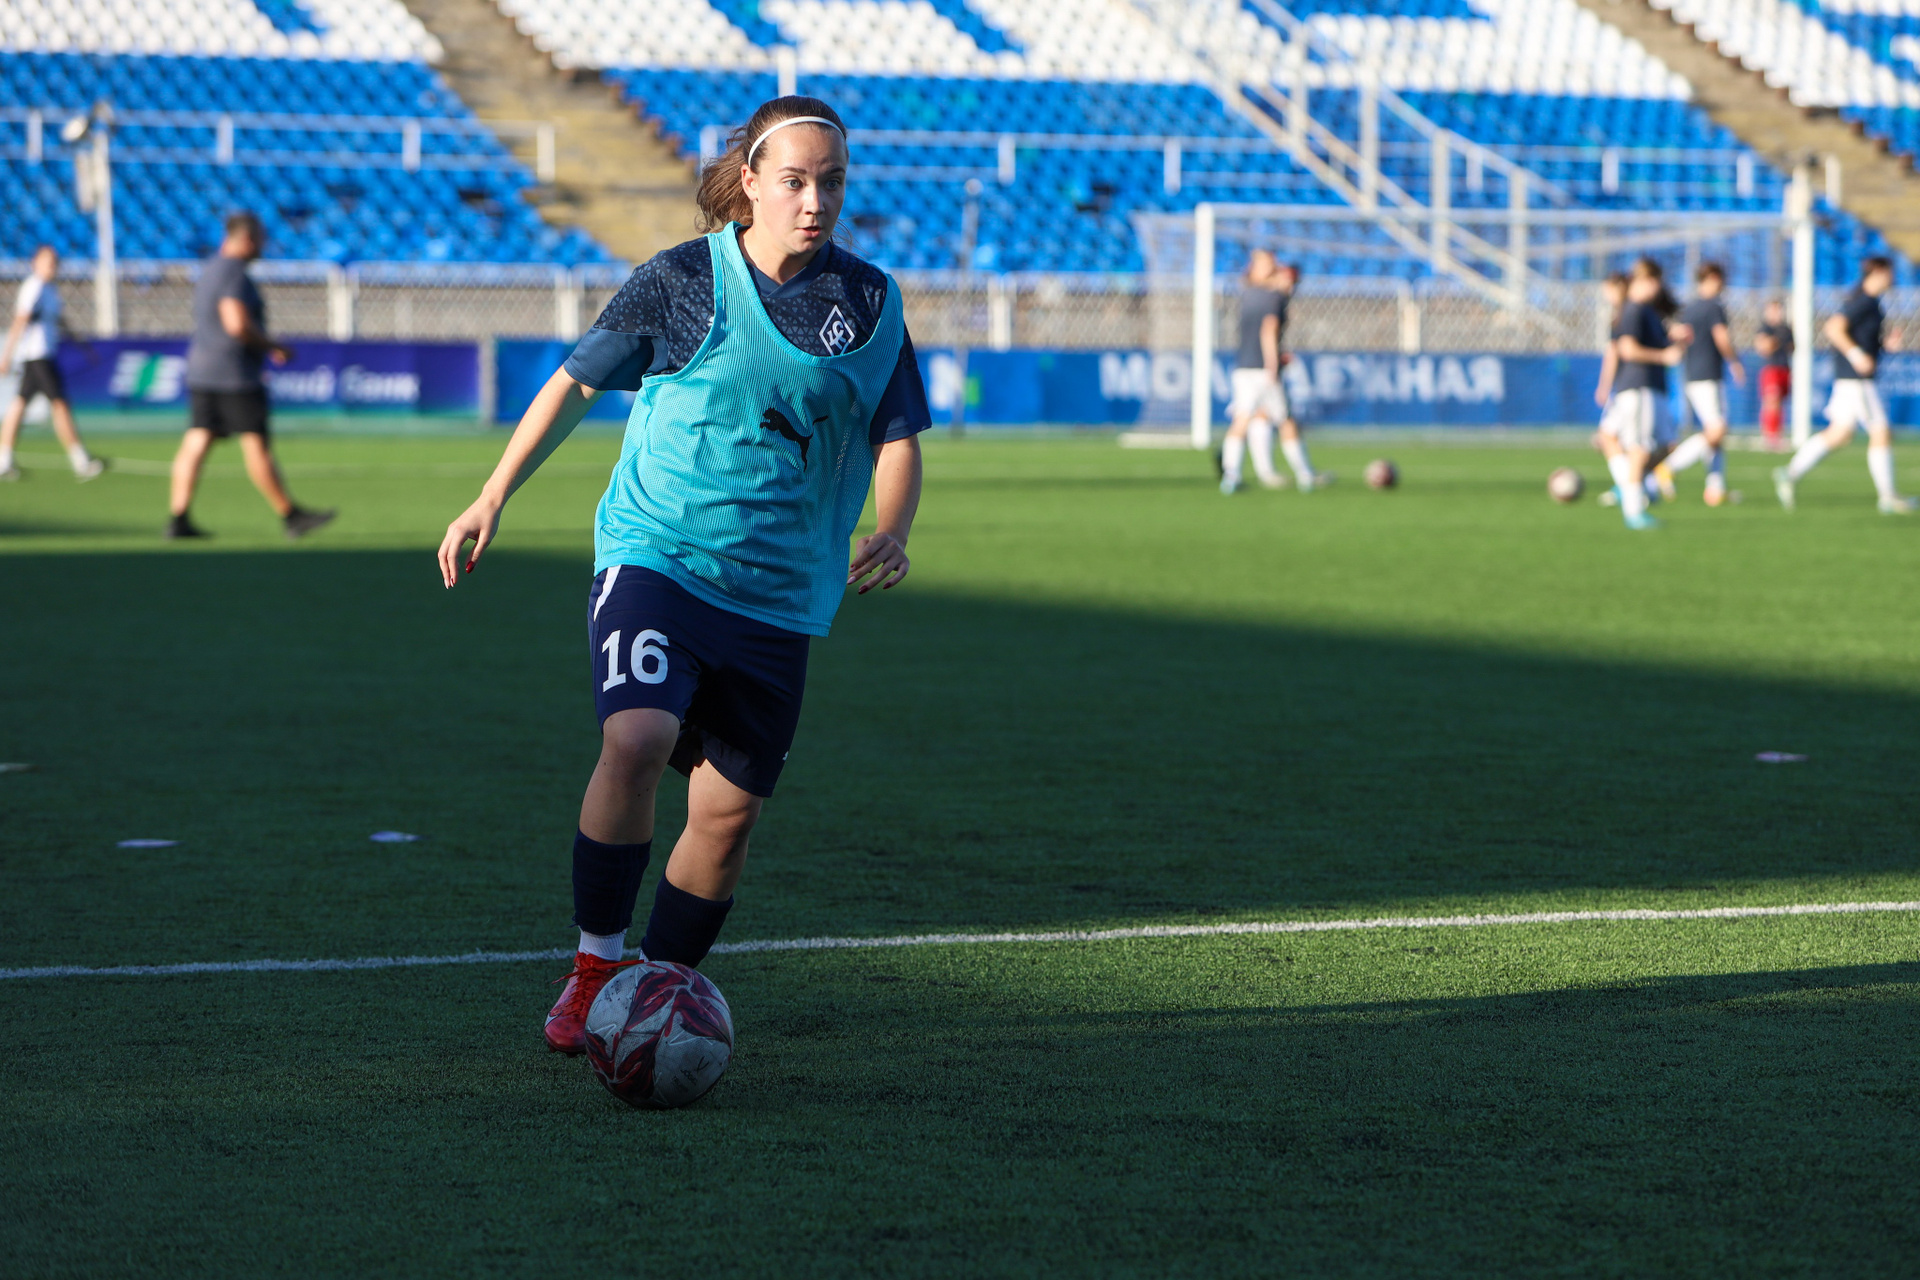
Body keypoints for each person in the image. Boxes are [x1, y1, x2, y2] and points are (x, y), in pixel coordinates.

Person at [436, 96, 932, 1057]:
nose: (815, 201)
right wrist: (492, 495)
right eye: (794, 181)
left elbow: (896, 431)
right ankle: (595, 968)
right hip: (658, 553)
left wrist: (894, 526)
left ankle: (655, 991)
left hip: (779, 591)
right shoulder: (681, 280)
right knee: (637, 737)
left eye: (832, 182)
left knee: (727, 813)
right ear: (750, 181)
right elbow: (576, 382)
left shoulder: (869, 302)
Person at [165, 211, 334, 540]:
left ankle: (178, 517)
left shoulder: (210, 268)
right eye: (259, 239)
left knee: (197, 440)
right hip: (234, 373)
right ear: (245, 239)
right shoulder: (234, 273)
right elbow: (236, 324)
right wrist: (273, 346)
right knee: (256, 444)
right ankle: (290, 515)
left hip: (202, 368)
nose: (263, 246)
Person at [1773, 256, 1914, 514]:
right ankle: (1888, 496)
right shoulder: (1863, 301)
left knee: (1840, 433)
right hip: (1856, 380)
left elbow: (1862, 337)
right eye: (1889, 272)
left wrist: (1884, 345)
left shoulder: (1871, 302)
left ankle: (1790, 472)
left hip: (1850, 379)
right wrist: (1856, 355)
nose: (1893, 278)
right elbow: (1834, 327)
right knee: (1881, 432)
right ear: (1879, 272)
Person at [0, 246, 105, 482]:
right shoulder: (34, 287)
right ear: (35, 263)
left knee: (20, 404)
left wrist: (82, 345)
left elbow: (60, 321)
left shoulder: (50, 290)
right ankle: (80, 460)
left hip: (42, 355)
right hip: (37, 355)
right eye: (47, 261)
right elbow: (20, 320)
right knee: (59, 405)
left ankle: (4, 460)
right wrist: (6, 355)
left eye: (54, 261)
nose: (52, 266)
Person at [1597, 258, 1688, 531]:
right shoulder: (1634, 309)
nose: (1658, 287)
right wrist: (1664, 356)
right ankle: (1634, 509)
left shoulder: (1647, 311)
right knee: (1639, 448)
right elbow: (1626, 348)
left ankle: (1628, 485)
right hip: (1639, 386)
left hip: (1651, 387)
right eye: (1655, 281)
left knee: (1666, 445)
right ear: (1645, 280)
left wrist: (1676, 340)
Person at [1220, 253, 1318, 493]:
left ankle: (1231, 475)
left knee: (1243, 419)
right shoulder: (1275, 298)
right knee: (1286, 421)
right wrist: (1273, 365)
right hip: (1263, 368)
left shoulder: (1248, 293)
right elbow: (1269, 330)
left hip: (1243, 367)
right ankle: (1305, 475)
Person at [1660, 262, 1746, 506]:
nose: (1723, 285)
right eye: (1721, 279)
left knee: (1715, 432)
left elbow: (1677, 337)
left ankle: (1715, 489)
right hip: (1708, 375)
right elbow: (1722, 337)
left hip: (1692, 375)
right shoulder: (1713, 307)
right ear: (1711, 278)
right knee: (1716, 430)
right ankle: (1668, 467)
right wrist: (1734, 362)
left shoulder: (1688, 308)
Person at [1752, 298, 1792, 452]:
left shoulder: (1785, 329)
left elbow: (1791, 347)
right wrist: (1775, 341)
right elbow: (1764, 347)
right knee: (1771, 401)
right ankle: (1769, 435)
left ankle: (1777, 434)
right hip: (1771, 369)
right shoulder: (1765, 328)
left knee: (1779, 403)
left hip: (1784, 368)